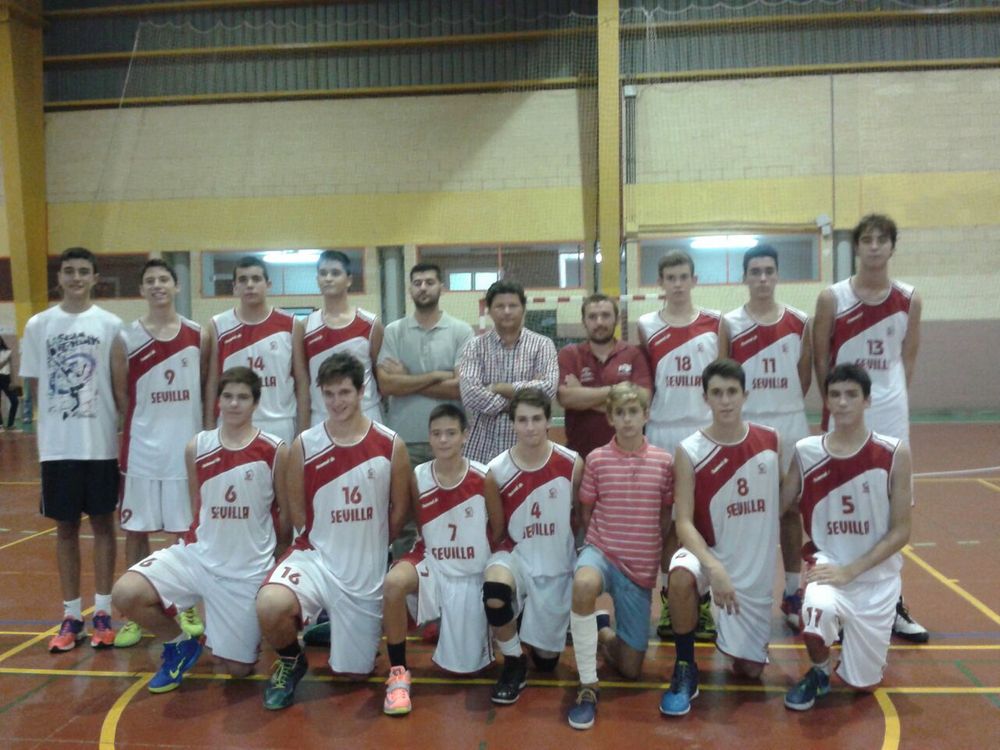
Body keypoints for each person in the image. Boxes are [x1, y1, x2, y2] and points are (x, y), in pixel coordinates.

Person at [111, 367, 290, 692]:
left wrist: (276, 568)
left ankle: (231, 636)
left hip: (245, 571)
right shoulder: (197, 446)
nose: (234, 404)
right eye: (228, 396)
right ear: (218, 401)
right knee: (126, 593)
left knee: (237, 670)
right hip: (196, 557)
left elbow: (285, 515)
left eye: (243, 397)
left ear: (255, 403)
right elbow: (198, 506)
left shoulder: (274, 449)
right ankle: (180, 644)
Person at [255, 353, 411, 710]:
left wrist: (370, 547)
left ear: (361, 391)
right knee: (269, 605)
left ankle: (328, 626)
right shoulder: (305, 445)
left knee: (353, 676)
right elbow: (296, 509)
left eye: (344, 392)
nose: (337, 402)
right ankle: (292, 660)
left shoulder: (390, 444)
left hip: (364, 568)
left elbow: (399, 511)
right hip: (316, 558)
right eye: (329, 394)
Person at [812, 214, 927, 643]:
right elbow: (821, 357)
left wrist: (886, 400)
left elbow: (906, 360)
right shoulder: (833, 298)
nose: (874, 247)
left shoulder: (910, 298)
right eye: (867, 240)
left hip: (890, 414)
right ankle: (837, 598)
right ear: (856, 248)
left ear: (892, 248)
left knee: (891, 510)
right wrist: (837, 404)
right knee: (841, 507)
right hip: (843, 412)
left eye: (882, 240)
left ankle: (891, 601)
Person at [782, 364, 913, 710]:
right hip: (829, 567)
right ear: (826, 401)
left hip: (875, 578)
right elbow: (781, 506)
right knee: (814, 611)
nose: (842, 403)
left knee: (863, 686)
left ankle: (854, 653)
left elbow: (902, 531)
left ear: (867, 401)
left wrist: (851, 571)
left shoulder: (893, 453)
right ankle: (819, 670)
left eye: (851, 395)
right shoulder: (806, 451)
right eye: (835, 395)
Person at [659, 359, 781, 717]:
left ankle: (730, 631)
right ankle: (685, 666)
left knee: (750, 672)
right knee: (680, 575)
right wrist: (714, 568)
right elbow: (683, 522)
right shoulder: (690, 449)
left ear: (746, 394)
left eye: (732, 392)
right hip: (705, 551)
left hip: (750, 567)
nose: (725, 400)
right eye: (717, 393)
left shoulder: (771, 442)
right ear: (705, 398)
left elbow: (785, 501)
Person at [19, 247, 126, 651]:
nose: (76, 277)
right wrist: (43, 435)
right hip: (57, 448)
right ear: (59, 277)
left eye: (83, 271)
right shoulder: (38, 325)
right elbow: (33, 387)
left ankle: (102, 611)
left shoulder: (112, 324)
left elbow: (119, 387)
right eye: (69, 271)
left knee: (102, 525)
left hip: (99, 445)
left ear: (96, 277)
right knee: (65, 529)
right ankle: (69, 615)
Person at [380, 404, 502, 716]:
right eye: (437, 434)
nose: (444, 440)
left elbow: (498, 529)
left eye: (451, 433)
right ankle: (398, 673)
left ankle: (501, 640)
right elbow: (420, 527)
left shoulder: (483, 476)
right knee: (393, 584)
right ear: (429, 438)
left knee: (469, 673)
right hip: (434, 563)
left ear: (465, 435)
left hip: (472, 571)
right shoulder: (419, 476)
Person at [566, 383, 673, 730]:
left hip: (638, 567)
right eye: (620, 413)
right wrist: (596, 548)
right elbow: (586, 512)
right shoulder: (597, 459)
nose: (627, 420)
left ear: (646, 415)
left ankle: (602, 632)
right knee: (583, 583)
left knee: (630, 668)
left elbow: (665, 517)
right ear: (610, 418)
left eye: (634, 412)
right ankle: (587, 685)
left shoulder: (664, 462)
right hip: (602, 552)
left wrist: (654, 558)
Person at [113, 259, 206, 648]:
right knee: (137, 532)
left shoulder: (198, 335)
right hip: (142, 452)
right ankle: (134, 614)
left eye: (163, 279)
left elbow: (204, 389)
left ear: (176, 286)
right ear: (142, 290)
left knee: (186, 534)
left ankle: (184, 604)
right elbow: (122, 395)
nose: (157, 286)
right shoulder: (126, 337)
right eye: (149, 280)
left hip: (184, 452)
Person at [638, 250, 727, 640]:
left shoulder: (715, 323)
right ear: (660, 283)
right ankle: (670, 602)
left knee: (702, 521)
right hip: (661, 430)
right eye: (669, 277)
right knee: (667, 524)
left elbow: (724, 377)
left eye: (683, 277)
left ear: (695, 280)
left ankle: (701, 601)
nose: (676, 284)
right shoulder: (644, 325)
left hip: (703, 433)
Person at [724, 245, 812, 631]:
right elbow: (724, 376)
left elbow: (804, 377)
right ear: (744, 277)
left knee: (791, 511)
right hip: (748, 431)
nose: (762, 278)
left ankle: (793, 591)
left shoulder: (799, 321)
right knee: (743, 515)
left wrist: (784, 406)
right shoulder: (729, 323)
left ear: (777, 276)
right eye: (755, 271)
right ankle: (741, 590)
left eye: (768, 271)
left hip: (791, 424)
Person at [481, 388, 583, 705]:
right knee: (495, 592)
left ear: (548, 421)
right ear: (512, 423)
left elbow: (579, 518)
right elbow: (495, 528)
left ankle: (527, 622)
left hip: (555, 561)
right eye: (522, 420)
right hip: (517, 556)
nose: (530, 427)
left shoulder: (572, 463)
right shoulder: (496, 470)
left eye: (536, 419)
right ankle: (513, 662)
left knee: (548, 663)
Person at [377, 262, 474, 558]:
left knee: (449, 511)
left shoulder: (461, 331)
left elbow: (460, 387)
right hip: (405, 440)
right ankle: (408, 580)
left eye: (429, 282)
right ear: (410, 289)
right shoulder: (394, 331)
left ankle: (449, 569)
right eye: (417, 282)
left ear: (440, 287)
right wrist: (436, 375)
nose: (423, 287)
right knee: (407, 515)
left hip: (449, 441)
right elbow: (386, 385)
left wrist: (408, 378)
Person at [204, 256, 307, 447]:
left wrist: (303, 430)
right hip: (231, 421)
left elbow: (301, 381)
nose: (249, 285)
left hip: (280, 421)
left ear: (268, 284)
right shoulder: (217, 325)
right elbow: (212, 382)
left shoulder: (291, 324)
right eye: (243, 280)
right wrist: (209, 428)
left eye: (256, 279)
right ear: (235, 287)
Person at [458, 280, 558, 464]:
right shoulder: (475, 346)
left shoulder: (543, 345)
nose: (506, 311)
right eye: (499, 306)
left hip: (530, 453)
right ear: (489, 310)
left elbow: (548, 389)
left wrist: (497, 387)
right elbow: (470, 394)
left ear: (523, 308)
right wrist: (524, 399)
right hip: (482, 450)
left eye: (513, 305)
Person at [557, 294, 652, 459]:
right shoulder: (569, 354)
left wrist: (582, 394)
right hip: (580, 457)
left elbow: (643, 397)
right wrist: (622, 393)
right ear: (583, 321)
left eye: (606, 316)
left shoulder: (633, 354)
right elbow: (566, 398)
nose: (599, 322)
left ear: (617, 319)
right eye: (592, 317)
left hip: (630, 456)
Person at [297, 250, 383, 430]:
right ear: (317, 280)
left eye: (335, 273)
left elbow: (380, 376)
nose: (328, 278)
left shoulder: (370, 324)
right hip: (321, 416)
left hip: (365, 413)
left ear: (349, 279)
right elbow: (303, 381)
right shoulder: (305, 327)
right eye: (323, 273)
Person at [0, 331, 21, 431]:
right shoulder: (7, 356)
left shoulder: (8, 352)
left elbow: (11, 367)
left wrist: (13, 381)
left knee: (15, 401)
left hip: (7, 378)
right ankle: (0, 425)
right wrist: (5, 361)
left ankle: (10, 424)